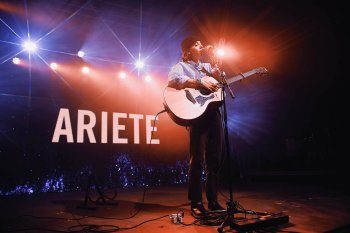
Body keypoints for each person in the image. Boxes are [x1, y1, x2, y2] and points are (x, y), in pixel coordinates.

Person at [168, 36, 225, 216]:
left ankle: (213, 201)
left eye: (201, 43)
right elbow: (173, 81)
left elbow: (219, 82)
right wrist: (199, 82)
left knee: (214, 160)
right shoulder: (180, 67)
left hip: (213, 114)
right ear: (187, 51)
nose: (201, 45)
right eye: (196, 44)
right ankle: (196, 202)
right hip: (196, 115)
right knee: (197, 160)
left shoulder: (207, 67)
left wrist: (217, 66)